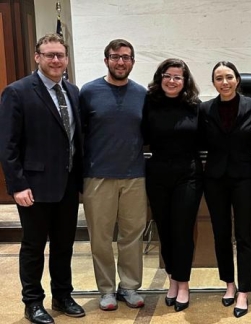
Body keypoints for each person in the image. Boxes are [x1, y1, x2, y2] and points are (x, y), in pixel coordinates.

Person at [0, 33, 85, 324]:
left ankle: (62, 296)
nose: (55, 60)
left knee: (64, 246)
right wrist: (17, 184)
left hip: (68, 184)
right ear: (38, 57)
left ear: (66, 58)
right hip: (33, 187)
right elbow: (7, 144)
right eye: (49, 54)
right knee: (34, 247)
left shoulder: (73, 92)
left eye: (60, 55)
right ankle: (33, 302)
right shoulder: (17, 91)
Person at [80, 39, 147, 311]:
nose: (121, 62)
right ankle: (106, 290)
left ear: (133, 61)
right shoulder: (88, 92)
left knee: (132, 235)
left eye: (126, 57)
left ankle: (129, 287)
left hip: (135, 176)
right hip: (98, 176)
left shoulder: (142, 94)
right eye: (115, 57)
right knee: (101, 237)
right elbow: (78, 134)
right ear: (106, 59)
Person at [199, 61, 251, 318]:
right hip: (214, 179)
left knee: (245, 236)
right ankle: (229, 284)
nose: (224, 82)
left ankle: (245, 290)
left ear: (237, 79)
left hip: (245, 178)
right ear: (213, 83)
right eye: (218, 78)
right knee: (221, 233)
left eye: (228, 77)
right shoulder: (205, 109)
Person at [142, 58, 203, 312]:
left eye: (178, 77)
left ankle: (184, 282)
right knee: (164, 230)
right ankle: (172, 279)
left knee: (182, 230)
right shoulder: (149, 103)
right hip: (157, 173)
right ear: (160, 77)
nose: (172, 81)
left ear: (185, 81)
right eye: (168, 75)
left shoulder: (195, 106)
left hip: (188, 173)